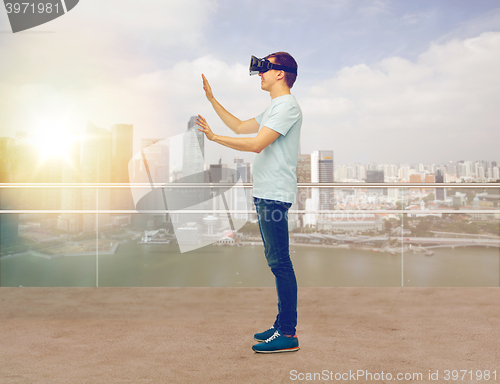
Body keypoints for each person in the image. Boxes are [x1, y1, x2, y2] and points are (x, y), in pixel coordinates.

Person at [196, 52, 302, 353]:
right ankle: (281, 324)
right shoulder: (274, 107)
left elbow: (256, 144)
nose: (260, 74)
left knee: (280, 263)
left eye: (265, 69)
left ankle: (288, 333)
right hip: (265, 192)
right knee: (276, 262)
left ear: (280, 74)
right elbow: (241, 127)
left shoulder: (287, 107)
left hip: (275, 194)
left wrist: (214, 139)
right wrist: (213, 100)